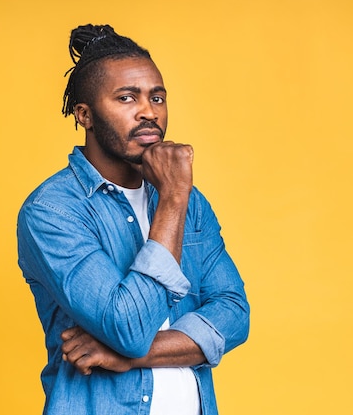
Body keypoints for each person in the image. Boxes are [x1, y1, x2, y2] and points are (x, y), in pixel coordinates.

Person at [17, 24, 250, 415]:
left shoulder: (191, 202)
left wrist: (132, 357)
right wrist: (173, 199)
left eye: (157, 97)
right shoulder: (53, 211)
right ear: (84, 115)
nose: (148, 112)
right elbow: (127, 326)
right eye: (126, 98)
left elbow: (234, 313)